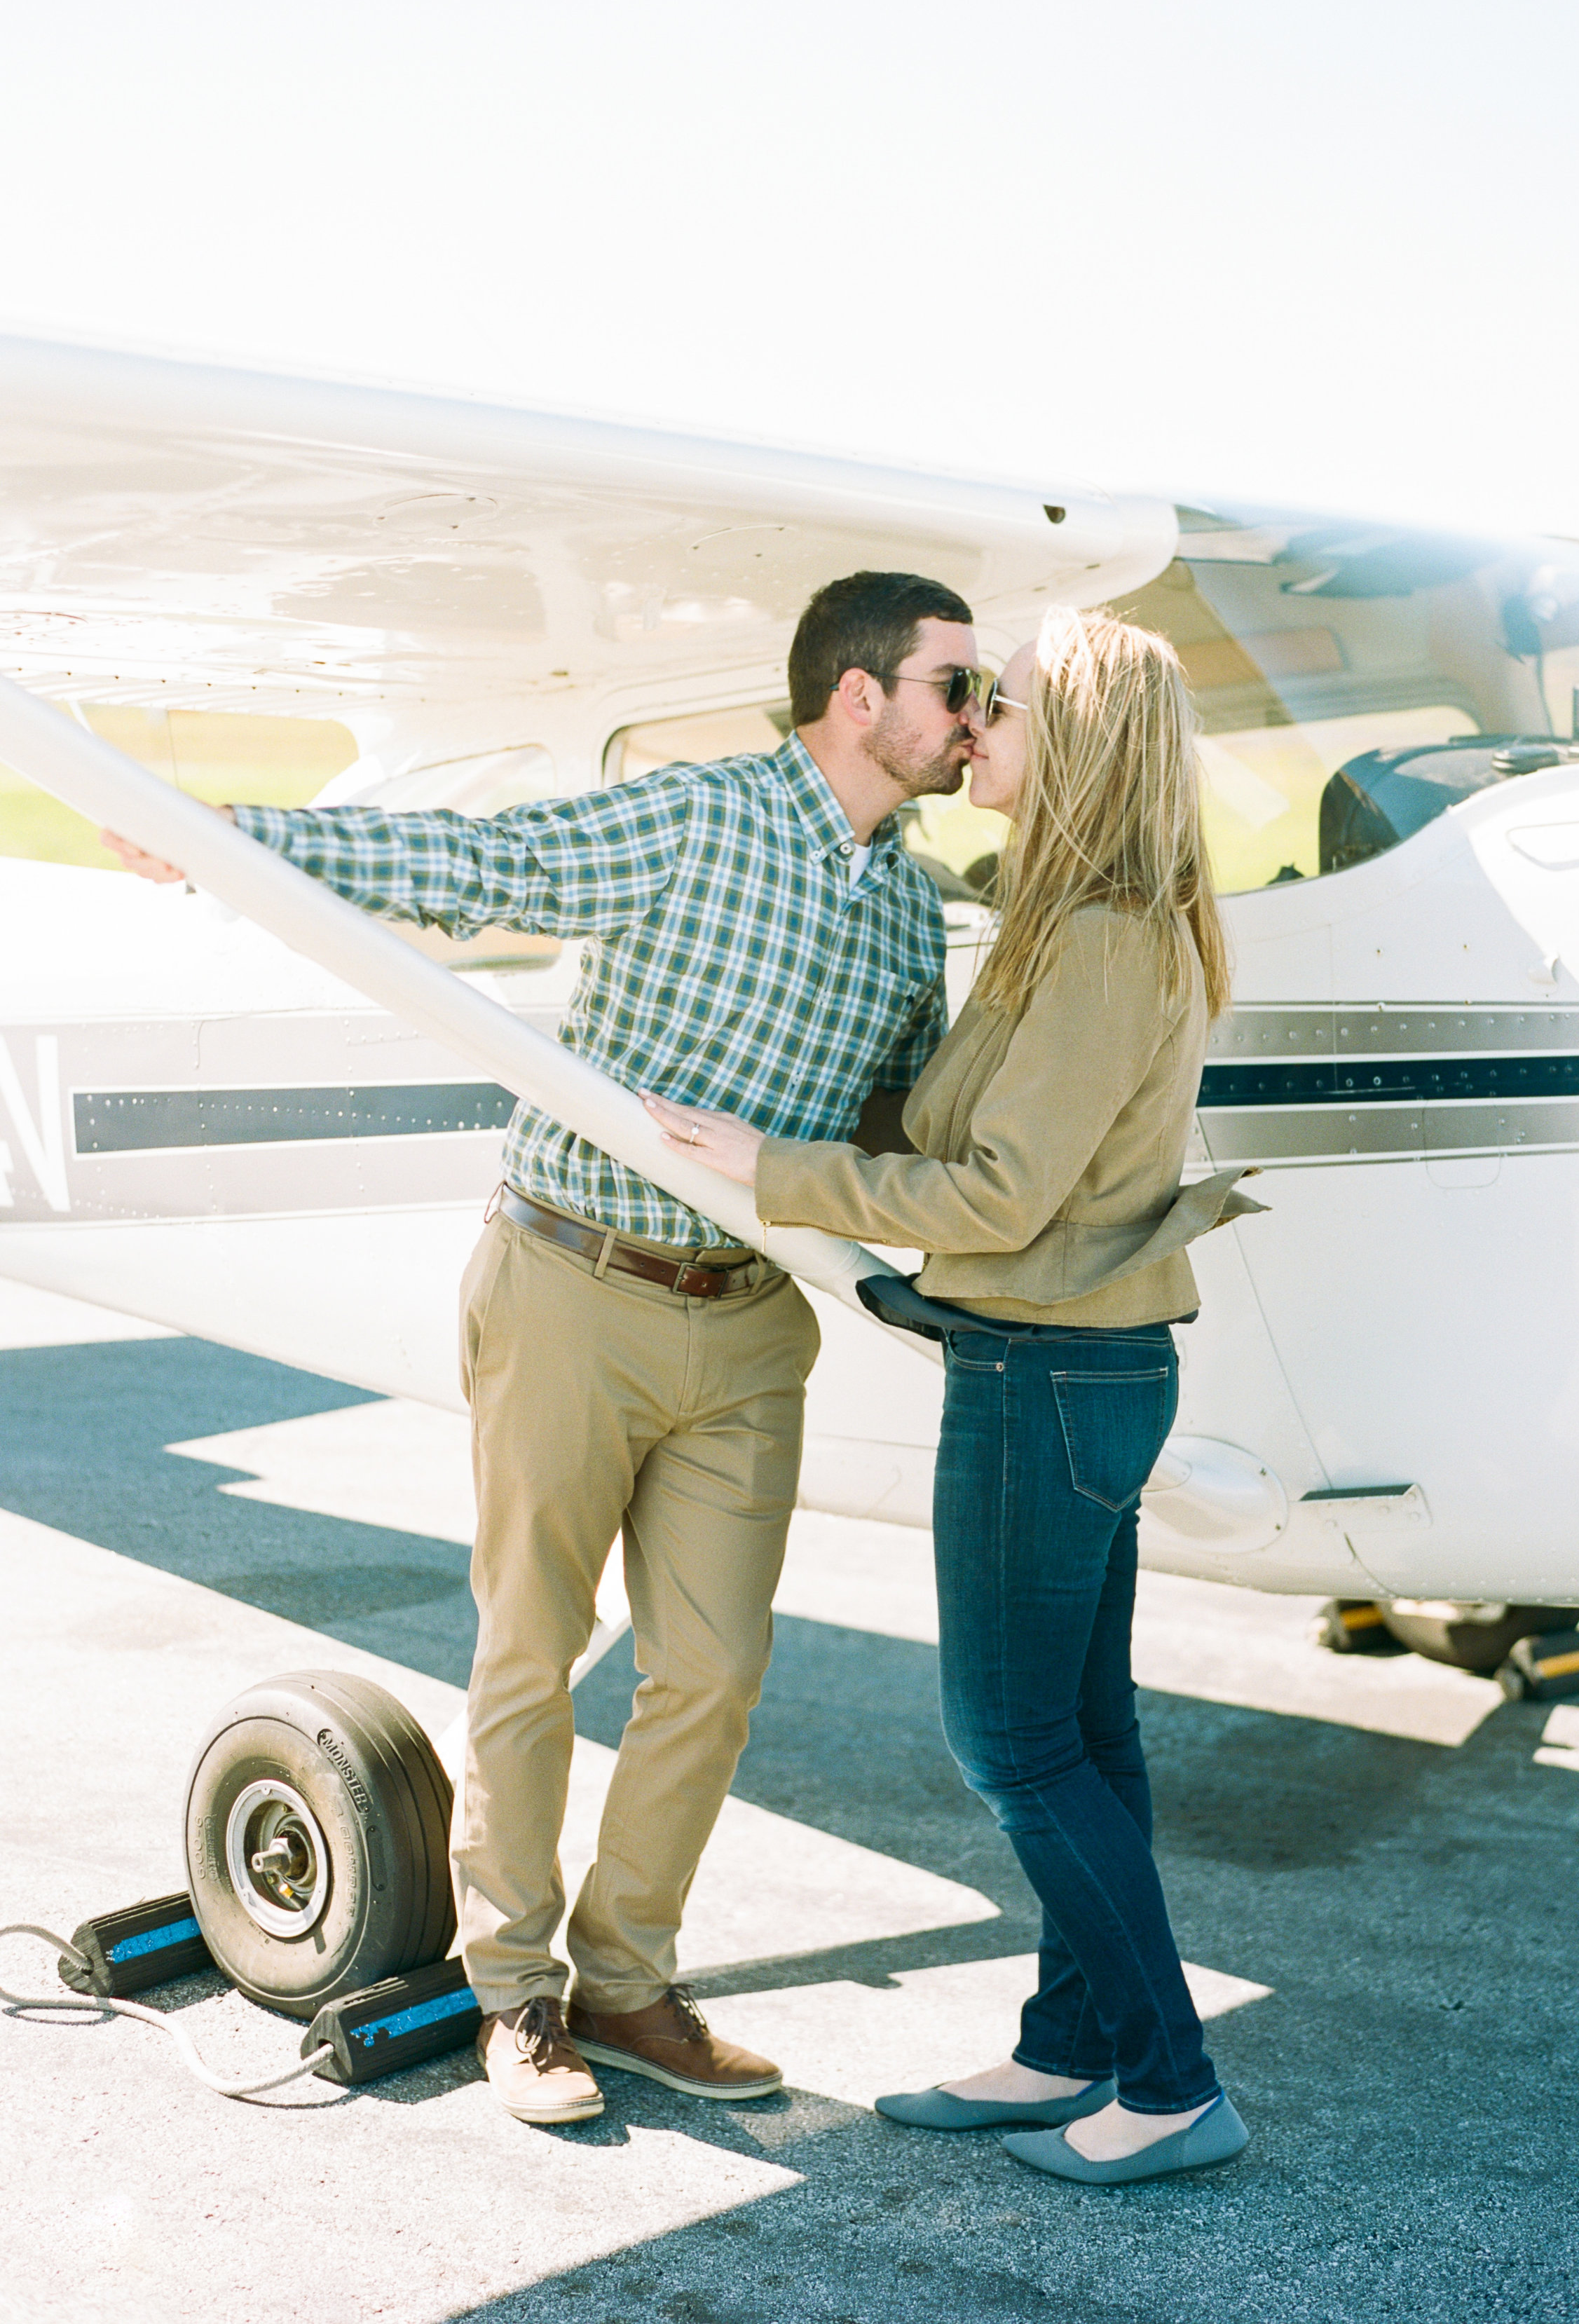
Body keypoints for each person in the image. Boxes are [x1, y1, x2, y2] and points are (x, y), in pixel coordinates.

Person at [102, 570, 995, 2127]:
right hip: (572, 1282)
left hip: (747, 1321)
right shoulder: (696, 817)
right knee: (530, 1652)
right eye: (952, 691)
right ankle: (514, 1994)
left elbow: (891, 1122)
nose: (972, 723)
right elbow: (481, 861)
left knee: (712, 1671)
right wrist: (233, 836)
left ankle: (630, 1984)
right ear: (859, 697)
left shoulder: (914, 908)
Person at [644, 607, 1264, 2186]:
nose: (971, 726)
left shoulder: (1109, 934)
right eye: (967, 694)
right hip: (1070, 1369)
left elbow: (991, 1195)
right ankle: (1071, 2047)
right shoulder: (1070, 922)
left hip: (1045, 1377)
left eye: (1003, 703)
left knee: (1009, 1745)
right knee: (1083, 1733)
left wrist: (766, 1167)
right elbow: (956, 1127)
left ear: (1081, 742)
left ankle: (1172, 2085)